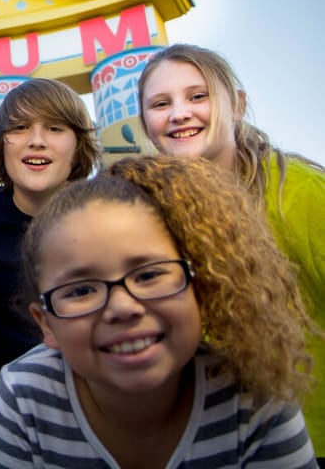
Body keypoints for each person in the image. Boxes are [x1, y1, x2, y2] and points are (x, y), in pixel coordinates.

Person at [0, 155, 317, 468]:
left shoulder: (254, 396)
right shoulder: (22, 398)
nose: (123, 308)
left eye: (149, 275)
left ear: (197, 282)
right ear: (47, 323)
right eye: (82, 290)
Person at [137, 43, 325, 456]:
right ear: (146, 123)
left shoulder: (297, 193)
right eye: (161, 103)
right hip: (213, 446)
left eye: (198, 96)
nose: (180, 112)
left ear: (236, 104)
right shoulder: (149, 216)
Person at [0, 78, 102, 391]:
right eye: (19, 127)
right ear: (1, 141)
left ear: (79, 143)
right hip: (8, 394)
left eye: (55, 128)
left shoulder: (110, 216)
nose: (36, 140)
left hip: (104, 390)